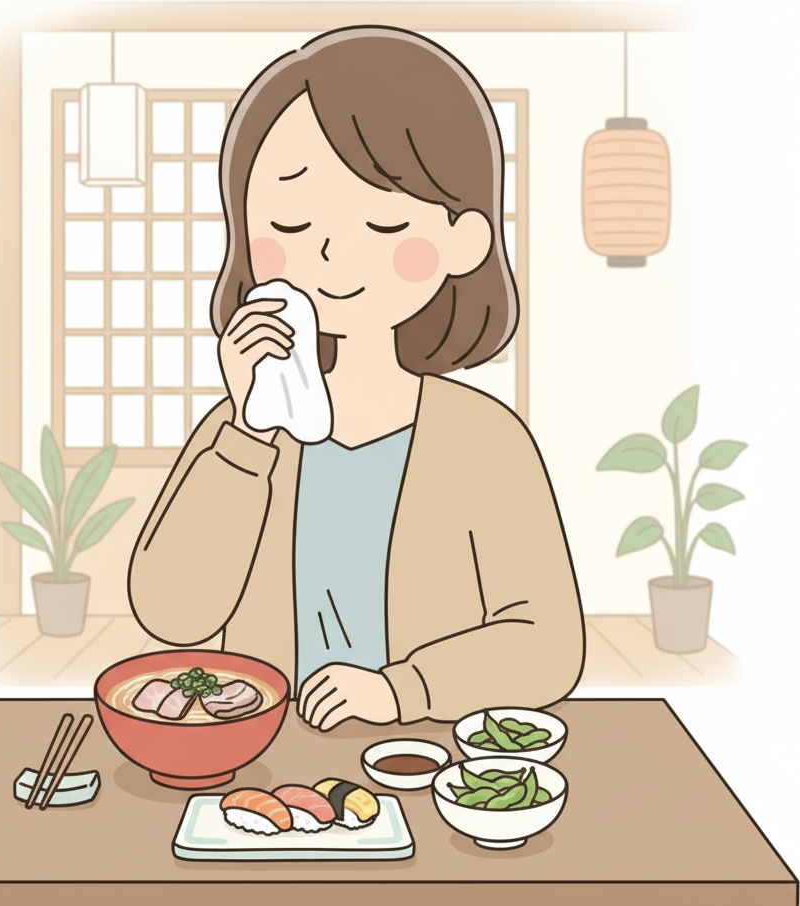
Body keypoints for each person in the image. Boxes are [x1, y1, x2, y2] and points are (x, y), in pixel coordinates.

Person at [128, 26, 585, 730]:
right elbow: (173, 613)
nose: (332, 252)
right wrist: (246, 433)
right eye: (291, 220)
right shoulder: (245, 430)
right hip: (266, 755)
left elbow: (549, 645)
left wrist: (403, 691)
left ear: (464, 242)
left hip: (427, 757)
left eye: (381, 223)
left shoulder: (484, 440)